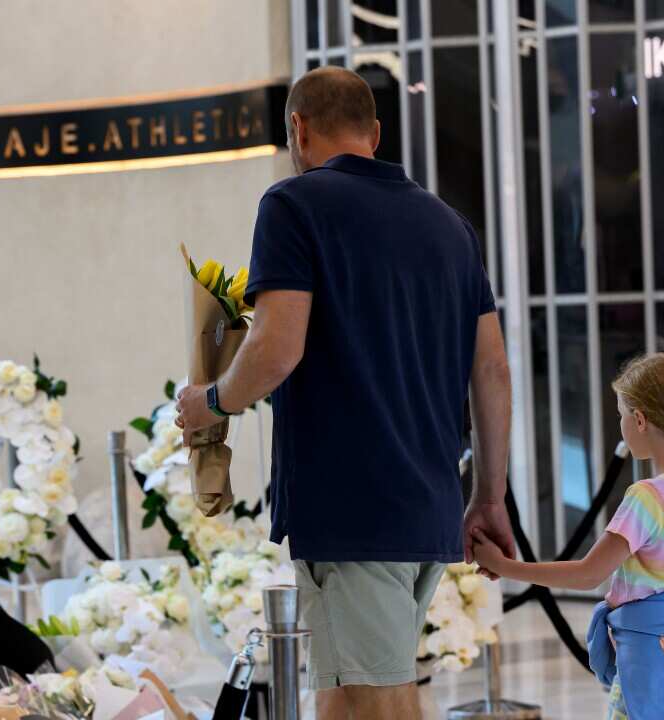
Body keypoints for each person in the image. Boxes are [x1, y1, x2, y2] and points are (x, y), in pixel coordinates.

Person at [174, 66, 514, 720]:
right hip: (427, 504)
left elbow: (276, 347)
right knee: (343, 693)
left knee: (380, 702)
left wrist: (211, 402)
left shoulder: (293, 205)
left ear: (297, 129)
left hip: (353, 505)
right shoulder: (450, 227)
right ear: (376, 133)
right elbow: (492, 372)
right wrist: (488, 496)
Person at [472, 353, 664, 719]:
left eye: (621, 416)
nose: (621, 425)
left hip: (652, 665)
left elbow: (588, 574)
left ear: (641, 420)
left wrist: (504, 565)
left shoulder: (648, 498)